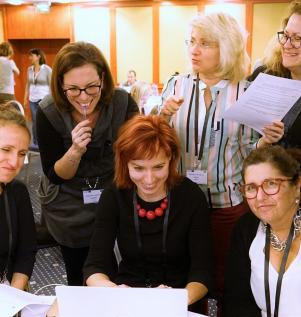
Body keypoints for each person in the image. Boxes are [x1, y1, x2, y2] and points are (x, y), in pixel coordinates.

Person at [159, 12, 284, 309]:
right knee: (186, 280)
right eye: (191, 42)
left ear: (226, 47)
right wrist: (161, 116)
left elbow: (252, 154)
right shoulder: (176, 85)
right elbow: (153, 147)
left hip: (228, 204)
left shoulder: (246, 91)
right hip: (180, 203)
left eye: (205, 43)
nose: (194, 50)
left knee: (230, 281)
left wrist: (267, 139)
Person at [36, 41, 139, 286]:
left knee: (126, 268)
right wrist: (74, 151)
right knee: (81, 273)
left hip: (114, 191)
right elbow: (56, 174)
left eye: (92, 87)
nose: (84, 97)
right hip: (69, 202)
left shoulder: (121, 103)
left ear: (103, 78)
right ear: (60, 85)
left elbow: (139, 151)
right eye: (73, 89)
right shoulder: (48, 112)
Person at [84, 115, 213, 308]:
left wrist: (176, 300)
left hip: (179, 298)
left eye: (159, 167)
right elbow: (94, 266)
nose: (149, 179)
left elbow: (202, 273)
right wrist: (112, 290)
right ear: (124, 163)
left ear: (171, 159)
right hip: (128, 296)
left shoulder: (191, 197)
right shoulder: (114, 195)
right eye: (138, 168)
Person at [224, 145, 301, 317]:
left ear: (297, 185)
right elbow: (237, 303)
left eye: (271, 184)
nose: (260, 197)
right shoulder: (245, 230)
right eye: (251, 188)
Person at [0, 103, 36, 290]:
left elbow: (26, 251)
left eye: (22, 153)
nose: (15, 162)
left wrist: (13, 295)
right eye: (6, 149)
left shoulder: (16, 192)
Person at [248, 0, 301, 149]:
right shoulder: (264, 75)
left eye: (297, 38)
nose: (287, 44)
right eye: (286, 35)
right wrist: (263, 142)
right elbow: (242, 141)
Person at [24, 48, 52, 147]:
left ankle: (46, 140)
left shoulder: (47, 69)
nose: (30, 58)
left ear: (38, 56)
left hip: (44, 99)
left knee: (44, 121)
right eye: (29, 56)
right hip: (32, 99)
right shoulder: (29, 69)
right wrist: (25, 98)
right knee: (35, 121)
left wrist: (52, 100)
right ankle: (36, 143)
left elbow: (52, 85)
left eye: (32, 55)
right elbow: (28, 84)